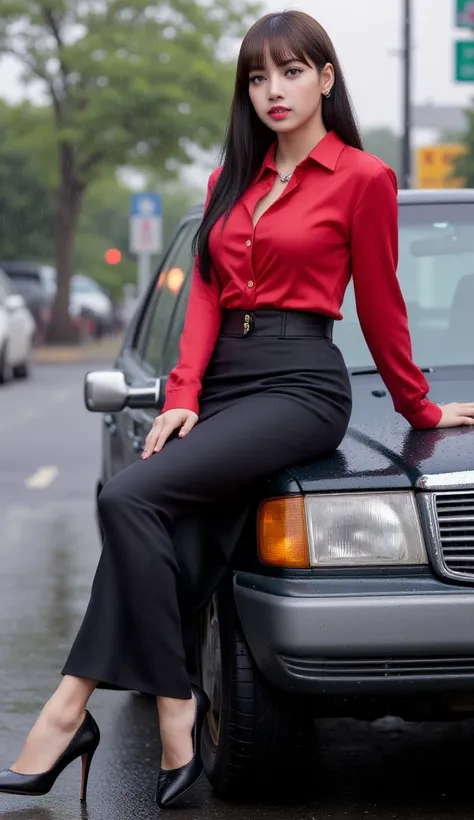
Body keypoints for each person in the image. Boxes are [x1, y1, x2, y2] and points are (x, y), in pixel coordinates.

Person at [1, 8, 474, 811]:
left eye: (291, 72)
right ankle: (79, 709)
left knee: (127, 496)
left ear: (325, 78)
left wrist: (419, 409)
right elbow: (206, 303)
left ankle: (153, 703)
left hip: (301, 385)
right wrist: (182, 396)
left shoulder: (362, 178)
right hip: (225, 385)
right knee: (162, 537)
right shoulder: (229, 181)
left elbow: (385, 308)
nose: (273, 91)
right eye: (257, 77)